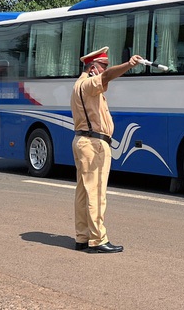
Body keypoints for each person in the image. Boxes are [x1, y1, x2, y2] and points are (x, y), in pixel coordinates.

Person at [70, 46, 143, 254]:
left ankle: (82, 237)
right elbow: (109, 76)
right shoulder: (89, 84)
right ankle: (98, 239)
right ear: (93, 67)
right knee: (97, 192)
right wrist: (128, 65)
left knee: (84, 192)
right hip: (93, 144)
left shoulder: (80, 85)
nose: (106, 70)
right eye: (103, 66)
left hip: (84, 142)